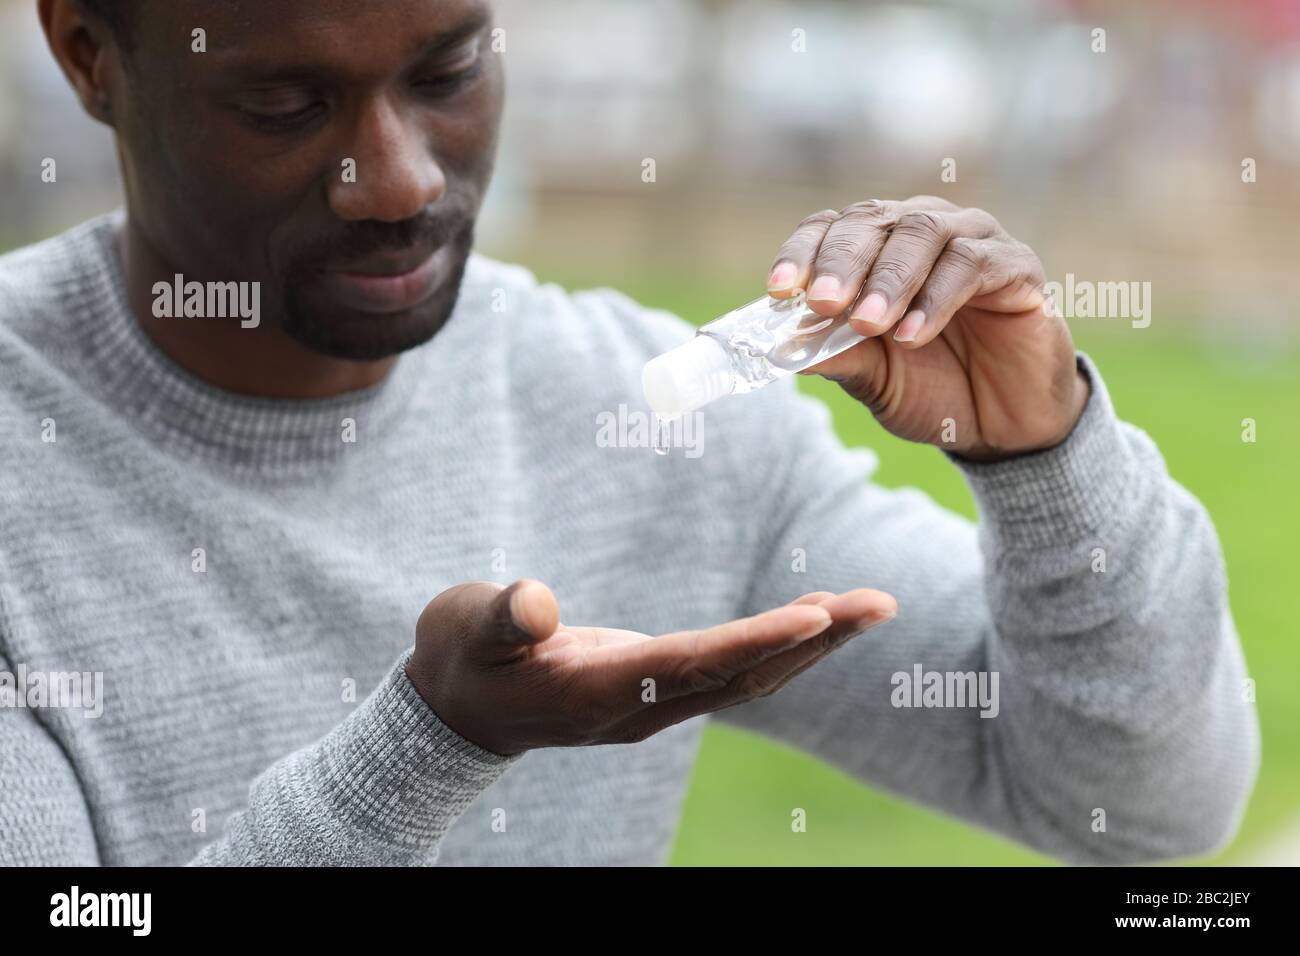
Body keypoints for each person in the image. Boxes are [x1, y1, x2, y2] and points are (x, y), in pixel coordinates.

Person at [0, 0, 1258, 866]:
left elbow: (1148, 811)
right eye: (282, 102)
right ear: (87, 53)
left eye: (445, 74)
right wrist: (427, 745)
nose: (396, 181)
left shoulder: (641, 414)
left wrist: (1043, 457)